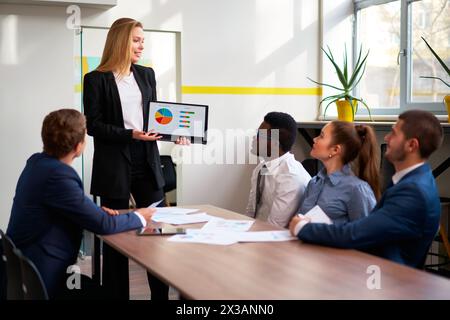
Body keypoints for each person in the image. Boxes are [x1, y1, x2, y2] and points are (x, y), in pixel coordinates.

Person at [83, 18, 188, 300]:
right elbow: (93, 125)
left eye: (143, 40)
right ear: (121, 41)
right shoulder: (95, 79)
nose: (142, 45)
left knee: (157, 232)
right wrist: (131, 135)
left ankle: (160, 297)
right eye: (136, 40)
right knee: (117, 239)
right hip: (114, 163)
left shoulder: (146, 75)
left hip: (146, 159)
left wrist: (173, 133)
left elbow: (156, 118)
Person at [5, 109, 155, 299]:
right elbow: (103, 225)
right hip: (45, 279)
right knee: (109, 295)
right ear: (79, 146)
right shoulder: (59, 175)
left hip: (26, 272)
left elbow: (64, 207)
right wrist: (139, 216)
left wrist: (92, 211)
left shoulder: (36, 163)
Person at [290, 110, 443, 268]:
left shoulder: (413, 191)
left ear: (411, 145)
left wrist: (303, 227)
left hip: (388, 279)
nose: (386, 138)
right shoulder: (411, 181)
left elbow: (356, 234)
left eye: (394, 133)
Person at [297, 121, 380, 225]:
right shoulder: (314, 183)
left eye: (321, 136)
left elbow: (367, 233)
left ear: (335, 150)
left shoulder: (357, 189)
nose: (314, 139)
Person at [246, 112, 311, 228]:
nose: (254, 138)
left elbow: (275, 226)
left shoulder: (290, 177)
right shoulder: (261, 169)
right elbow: (250, 212)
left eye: (259, 135)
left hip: (276, 238)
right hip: (258, 232)